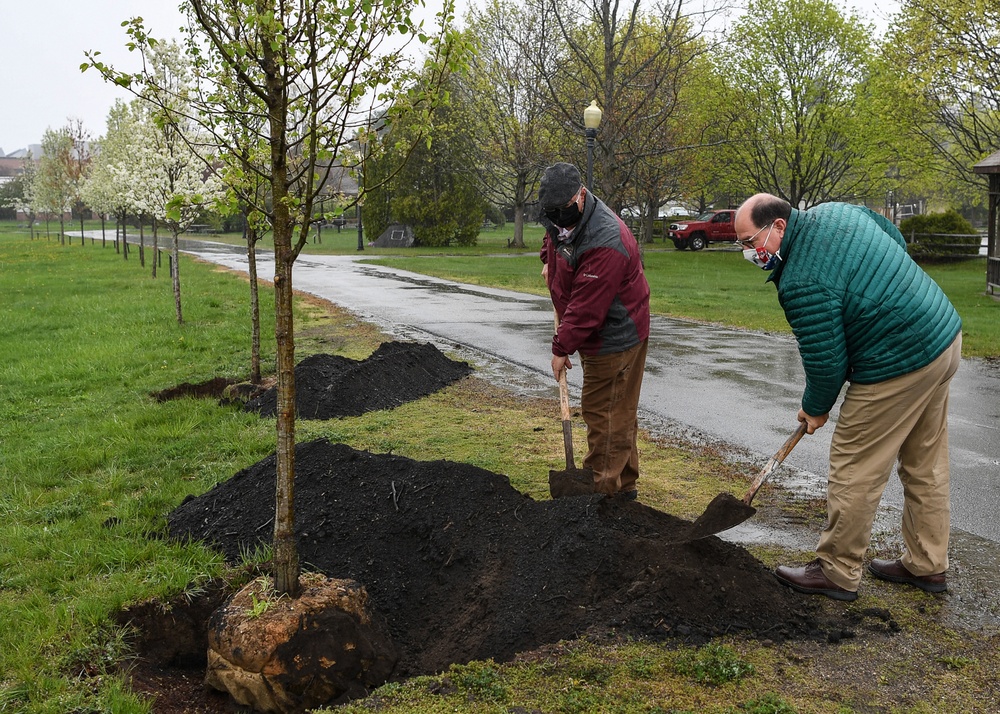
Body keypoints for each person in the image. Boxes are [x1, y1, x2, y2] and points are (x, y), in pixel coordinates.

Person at [733, 193, 962, 601]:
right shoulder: (835, 213)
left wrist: (815, 408)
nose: (748, 252)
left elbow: (826, 361)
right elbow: (893, 237)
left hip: (898, 359)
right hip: (942, 337)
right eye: (743, 245)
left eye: (751, 242)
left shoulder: (802, 279)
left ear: (779, 227)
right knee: (925, 462)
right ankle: (927, 566)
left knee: (855, 465)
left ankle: (837, 571)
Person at [538, 162, 651, 498]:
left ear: (582, 196)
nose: (557, 217)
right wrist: (548, 259)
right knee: (620, 408)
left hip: (615, 334)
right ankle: (625, 485)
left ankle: (600, 493)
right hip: (599, 328)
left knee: (605, 411)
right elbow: (553, 238)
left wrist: (561, 348)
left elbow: (587, 310)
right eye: (551, 212)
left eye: (563, 210)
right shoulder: (561, 216)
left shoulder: (605, 240)